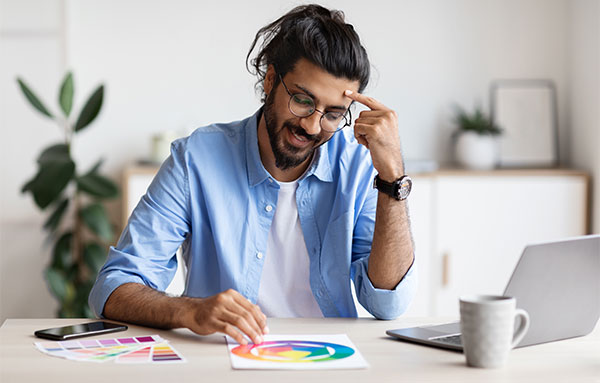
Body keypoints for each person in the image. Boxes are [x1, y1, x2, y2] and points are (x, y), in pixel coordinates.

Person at [89, 4, 416, 346]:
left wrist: (393, 177)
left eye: (333, 113)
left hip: (332, 358)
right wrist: (189, 311)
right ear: (271, 80)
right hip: (222, 358)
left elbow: (387, 302)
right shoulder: (196, 160)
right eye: (303, 100)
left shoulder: (358, 167)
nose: (312, 125)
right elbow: (113, 288)